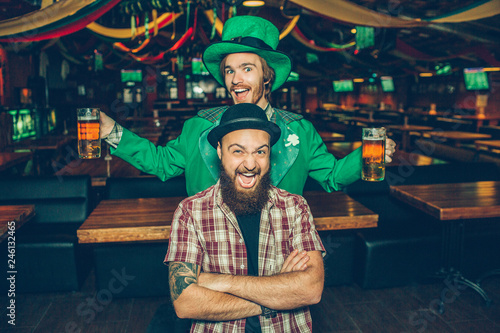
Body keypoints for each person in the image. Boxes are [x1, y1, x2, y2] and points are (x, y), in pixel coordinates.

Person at [99, 15, 396, 196]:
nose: (235, 79)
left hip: (279, 252)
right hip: (213, 250)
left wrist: (370, 154)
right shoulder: (200, 126)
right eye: (229, 70)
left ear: (267, 76)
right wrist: (111, 130)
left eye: (247, 68)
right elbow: (161, 163)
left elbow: (332, 178)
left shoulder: (300, 131)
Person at [165, 103, 325, 332]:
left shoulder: (295, 207)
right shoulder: (190, 211)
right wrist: (278, 295)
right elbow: (185, 303)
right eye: (238, 151)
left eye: (260, 151)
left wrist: (221, 281)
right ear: (220, 152)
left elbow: (311, 289)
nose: (250, 164)